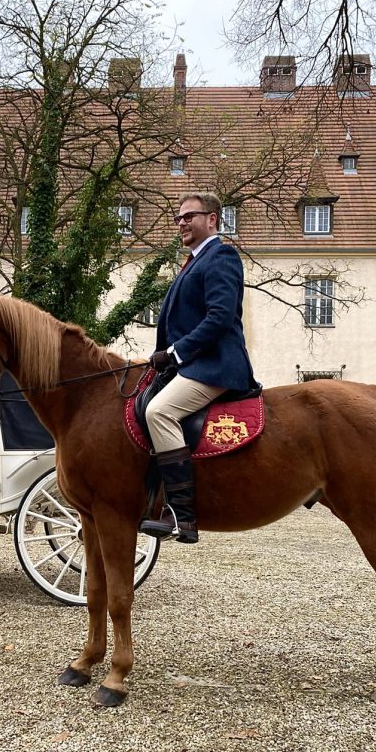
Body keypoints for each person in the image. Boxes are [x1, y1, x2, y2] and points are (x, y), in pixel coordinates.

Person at [139, 191, 258, 544]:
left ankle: (182, 514)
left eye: (189, 216)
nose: (182, 223)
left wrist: (175, 353)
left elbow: (220, 318)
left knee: (159, 412)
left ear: (212, 220)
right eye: (178, 218)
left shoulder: (220, 256)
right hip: (194, 364)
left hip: (216, 365)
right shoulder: (192, 262)